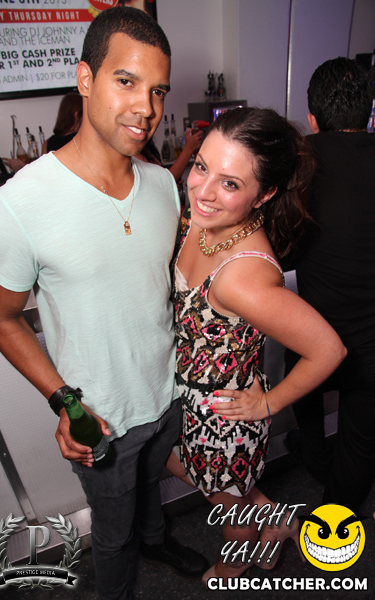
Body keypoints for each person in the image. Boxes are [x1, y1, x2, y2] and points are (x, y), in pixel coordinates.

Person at [0, 7, 208, 600]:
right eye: (126, 81)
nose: (146, 108)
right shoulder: (20, 204)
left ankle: (158, 540)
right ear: (85, 79)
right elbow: (1, 317)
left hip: (168, 395)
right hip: (100, 418)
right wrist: (64, 400)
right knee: (112, 536)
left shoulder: (162, 186)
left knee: (152, 490)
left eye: (157, 90)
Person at [165, 106, 346, 583]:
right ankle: (278, 520)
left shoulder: (242, 277)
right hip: (188, 397)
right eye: (201, 166)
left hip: (222, 417)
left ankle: (235, 562)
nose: (202, 191)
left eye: (229, 183)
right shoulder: (200, 221)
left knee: (230, 510)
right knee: (189, 470)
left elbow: (329, 349)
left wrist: (268, 403)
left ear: (264, 194)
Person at [284, 57, 375, 513]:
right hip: (373, 343)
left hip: (315, 334)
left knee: (299, 378)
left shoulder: (299, 162)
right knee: (361, 442)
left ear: (313, 117)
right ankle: (333, 519)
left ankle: (315, 458)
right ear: (369, 111)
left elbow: (281, 252)